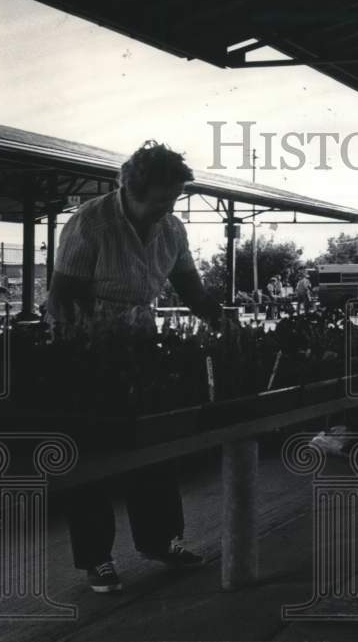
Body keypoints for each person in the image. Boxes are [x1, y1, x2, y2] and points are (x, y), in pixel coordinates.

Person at [47, 141, 221, 594]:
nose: (170, 206)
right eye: (164, 198)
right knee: (96, 457)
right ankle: (96, 560)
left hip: (142, 343)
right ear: (135, 189)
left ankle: (162, 541)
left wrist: (223, 321)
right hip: (86, 349)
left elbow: (190, 287)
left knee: (156, 445)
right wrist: (89, 350)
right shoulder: (90, 223)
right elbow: (64, 297)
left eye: (175, 198)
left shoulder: (171, 229)